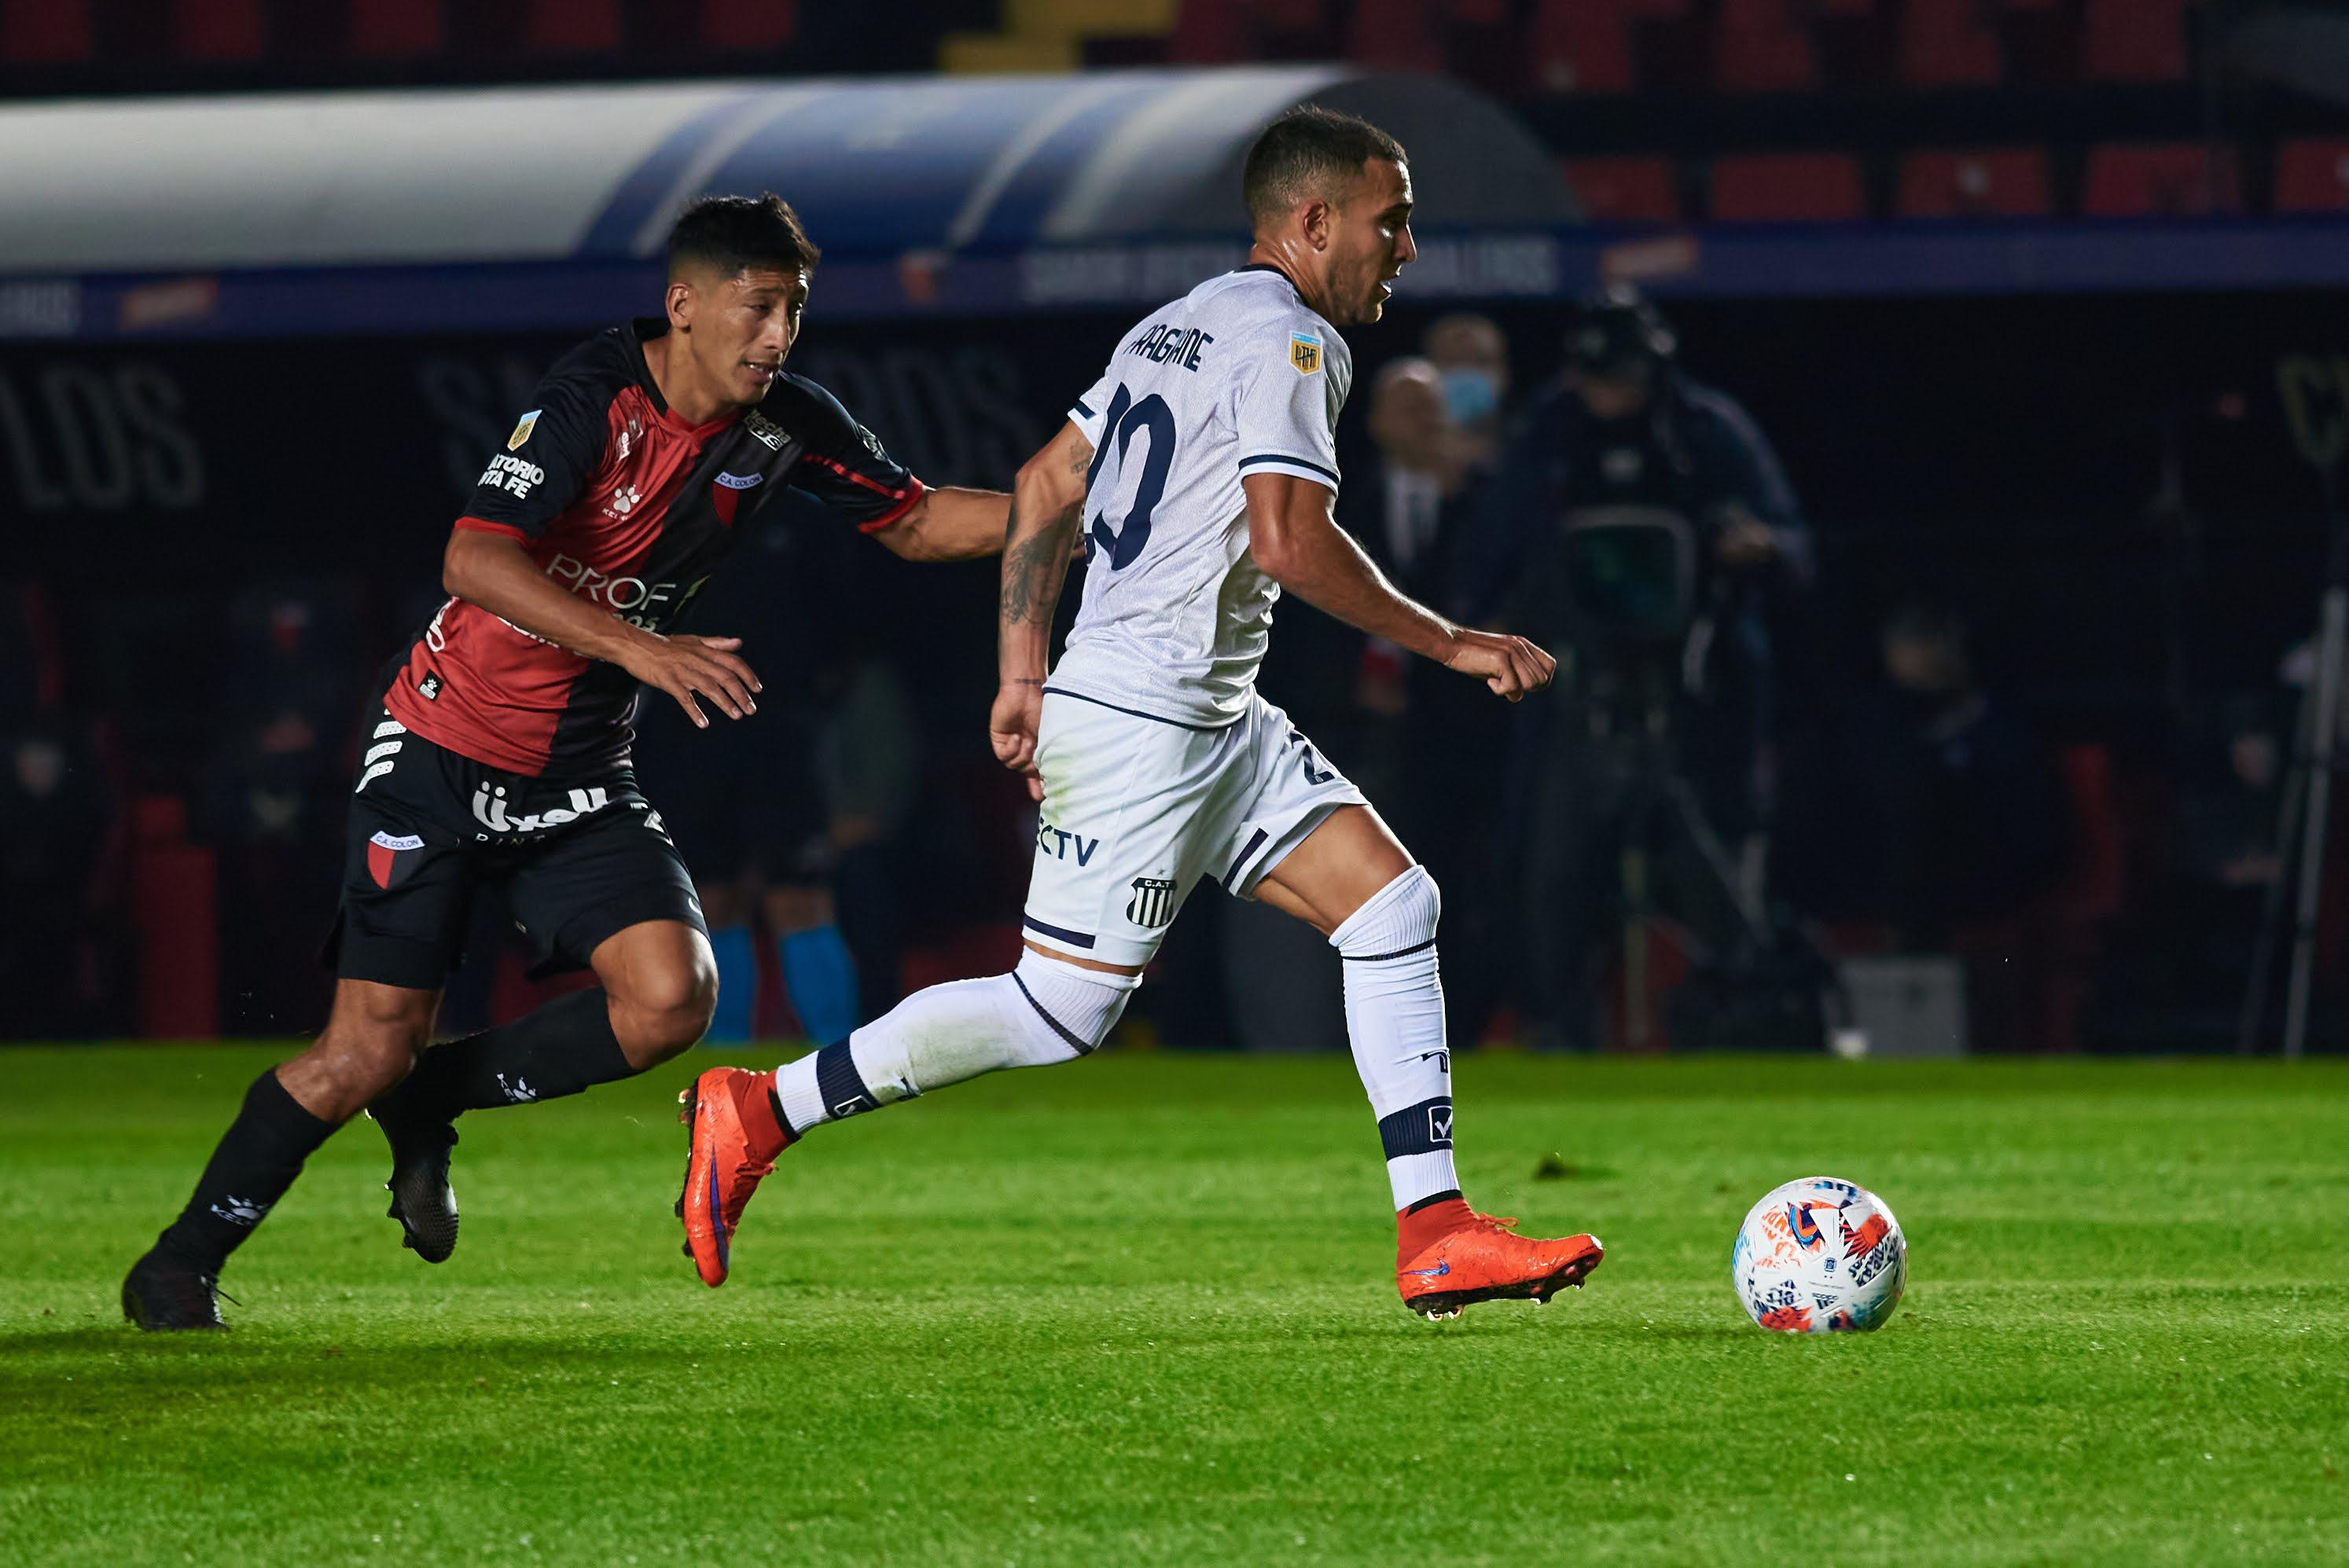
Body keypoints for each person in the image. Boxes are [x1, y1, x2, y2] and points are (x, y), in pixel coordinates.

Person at [672, 108, 1604, 1322]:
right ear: (1315, 222)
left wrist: (1019, 668)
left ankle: (1434, 1228)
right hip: (1145, 718)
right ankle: (763, 1106)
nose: (1408, 247)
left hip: (1207, 709)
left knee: (1392, 903)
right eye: (1395, 220)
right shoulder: (1295, 346)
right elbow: (1288, 539)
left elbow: (1045, 480)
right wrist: (1453, 639)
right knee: (1056, 1011)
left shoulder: (1182, 321)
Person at [121, 194, 1013, 1331]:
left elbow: (921, 518)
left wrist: (1080, 507)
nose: (778, 334)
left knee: (672, 998)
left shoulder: (789, 422)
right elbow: (472, 557)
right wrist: (644, 646)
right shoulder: (593, 397)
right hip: (440, 755)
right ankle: (179, 1263)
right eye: (757, 307)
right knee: (358, 1051)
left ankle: (431, 1096)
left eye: (793, 309)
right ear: (683, 305)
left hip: (581, 776)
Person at [1461, 285, 1811, 1049]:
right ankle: (1556, 1031)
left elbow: (1793, 546)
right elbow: (1491, 552)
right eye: (1594, 376)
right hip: (1576, 688)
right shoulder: (1547, 437)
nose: (1607, 392)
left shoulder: (1707, 431)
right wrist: (1484, 623)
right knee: (1555, 873)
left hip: (1697, 688)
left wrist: (1758, 546)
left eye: (1620, 374)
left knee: (1712, 865)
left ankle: (1739, 1019)